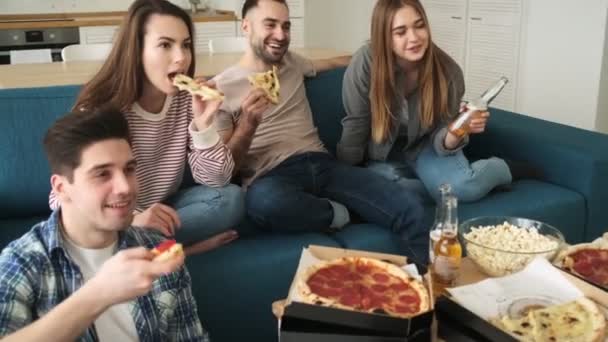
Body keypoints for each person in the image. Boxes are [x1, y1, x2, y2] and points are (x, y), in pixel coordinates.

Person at [212, 0, 427, 261]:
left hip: (324, 164)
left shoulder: (292, 63)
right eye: (270, 24)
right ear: (245, 26)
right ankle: (340, 214)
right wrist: (248, 123)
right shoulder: (220, 89)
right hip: (272, 177)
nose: (281, 35)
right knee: (264, 203)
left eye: (286, 26)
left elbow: (333, 63)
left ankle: (425, 293)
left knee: (410, 208)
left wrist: (383, 56)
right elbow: (225, 170)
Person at [50, 0, 244, 254]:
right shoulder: (99, 109)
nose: (181, 58)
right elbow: (59, 202)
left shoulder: (188, 100)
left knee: (231, 199)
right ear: (137, 51)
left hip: (163, 207)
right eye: (165, 45)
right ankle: (172, 251)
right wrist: (133, 219)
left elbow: (216, 180)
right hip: (115, 216)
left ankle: (142, 250)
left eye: (185, 45)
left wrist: (203, 124)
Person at [0, 108, 207, 341]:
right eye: (102, 174)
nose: (125, 187)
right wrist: (99, 293)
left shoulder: (157, 251)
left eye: (129, 169)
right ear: (61, 188)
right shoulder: (21, 263)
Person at [339, 0, 528, 203]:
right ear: (384, 37)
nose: (414, 38)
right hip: (384, 150)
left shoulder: (449, 73)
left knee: (461, 189)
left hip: (426, 145)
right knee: (389, 194)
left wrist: (458, 130)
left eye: (419, 26)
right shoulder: (366, 63)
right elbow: (357, 121)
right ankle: (436, 190)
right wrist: (344, 173)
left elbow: (441, 137)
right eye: (400, 32)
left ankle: (502, 168)